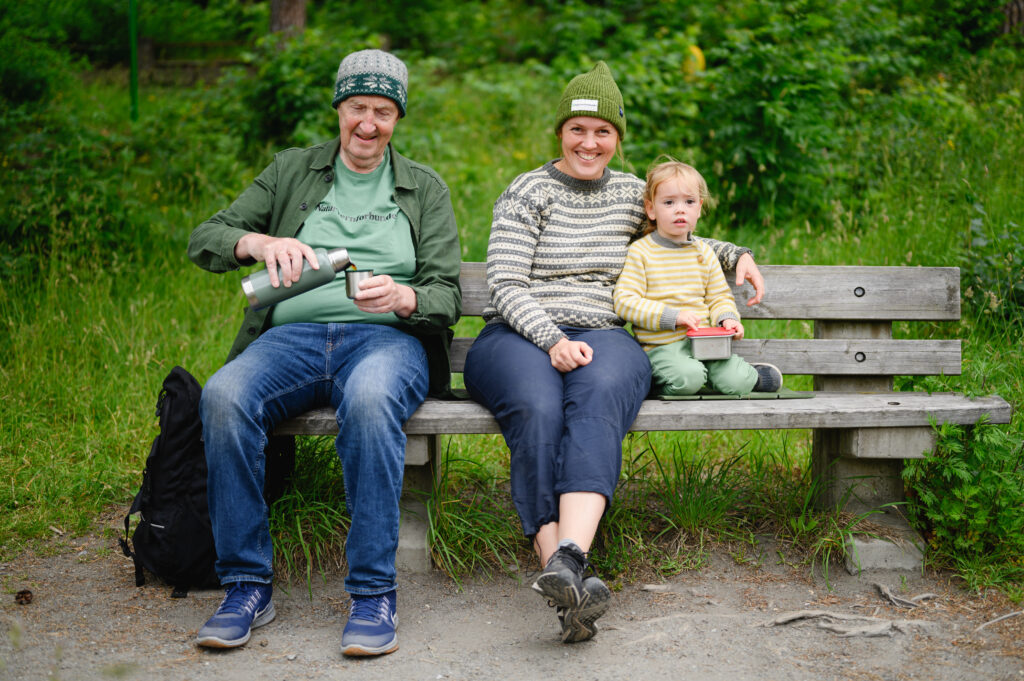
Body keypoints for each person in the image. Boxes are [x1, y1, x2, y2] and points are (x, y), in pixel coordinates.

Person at [462, 62, 765, 644]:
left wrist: (736, 254)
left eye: (602, 131)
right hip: (519, 334)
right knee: (538, 406)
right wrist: (550, 339)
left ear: (617, 139)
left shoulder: (631, 193)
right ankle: (564, 570)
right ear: (560, 132)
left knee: (602, 398)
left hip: (604, 332)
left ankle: (568, 561)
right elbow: (504, 283)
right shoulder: (529, 191)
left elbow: (678, 232)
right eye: (577, 128)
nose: (589, 143)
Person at [186, 49, 461, 657]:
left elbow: (448, 293)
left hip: (388, 341)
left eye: (383, 111)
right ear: (338, 107)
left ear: (398, 118)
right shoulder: (292, 171)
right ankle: (246, 586)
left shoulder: (424, 188)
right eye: (358, 107)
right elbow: (206, 239)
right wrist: (259, 242)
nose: (368, 123)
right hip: (291, 340)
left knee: (368, 401)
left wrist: (405, 297)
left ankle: (372, 593)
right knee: (224, 395)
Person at [613, 159, 782, 396]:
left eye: (689, 202)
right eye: (669, 202)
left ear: (699, 208)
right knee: (688, 379)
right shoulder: (641, 252)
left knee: (736, 383)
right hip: (663, 347)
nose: (680, 209)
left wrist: (727, 318)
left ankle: (748, 376)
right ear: (651, 209)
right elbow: (625, 301)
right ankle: (655, 379)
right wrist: (673, 316)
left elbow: (718, 296)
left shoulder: (704, 252)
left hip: (707, 342)